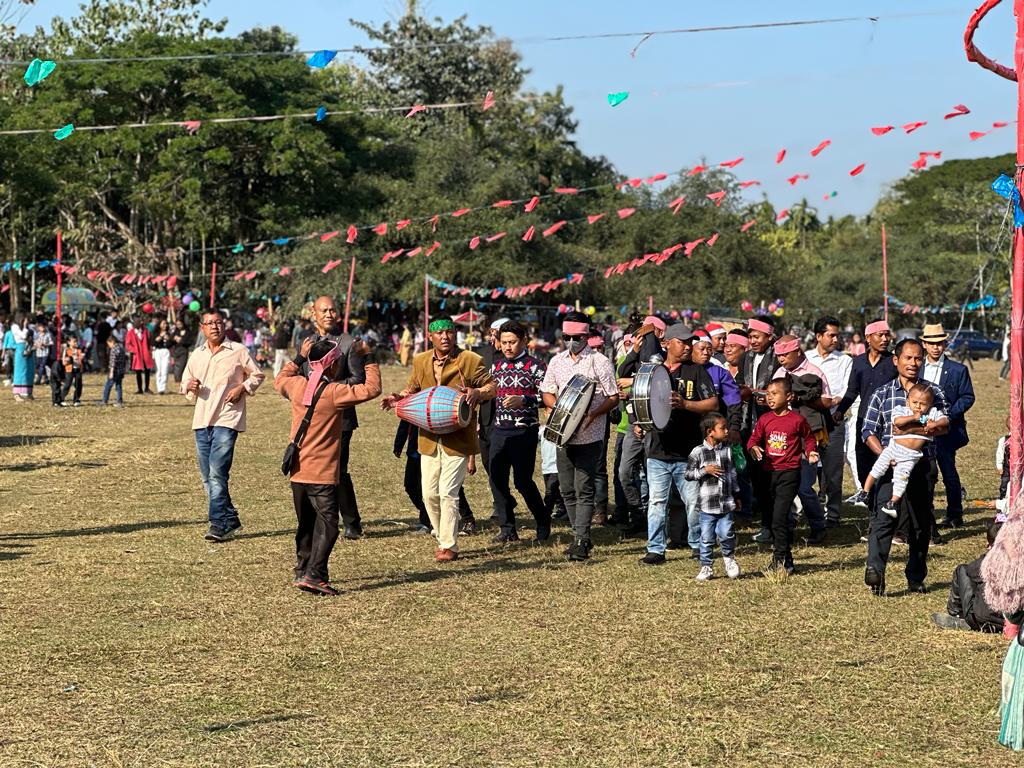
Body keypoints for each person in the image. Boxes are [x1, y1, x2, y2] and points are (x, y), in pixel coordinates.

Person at [380, 317, 495, 562]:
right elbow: (412, 389)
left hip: (459, 438)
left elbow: (491, 387)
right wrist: (397, 398)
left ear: (455, 335)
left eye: (449, 332)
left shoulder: (471, 361)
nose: (445, 337)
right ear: (430, 336)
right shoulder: (421, 360)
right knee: (429, 493)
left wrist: (477, 393)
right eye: (440, 333)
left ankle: (449, 545)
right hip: (429, 436)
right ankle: (442, 533)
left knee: (448, 492)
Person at [275, 337, 381, 596]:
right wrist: (368, 358)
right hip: (322, 472)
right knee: (329, 523)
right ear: (333, 366)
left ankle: (302, 569)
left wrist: (299, 357)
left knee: (306, 522)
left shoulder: (297, 385)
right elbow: (372, 389)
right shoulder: (335, 392)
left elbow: (279, 379)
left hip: (298, 469)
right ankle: (316, 574)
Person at [861, 338, 949, 596]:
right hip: (891, 466)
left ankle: (915, 577)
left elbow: (946, 424)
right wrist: (888, 455)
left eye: (918, 358)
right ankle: (875, 572)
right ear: (896, 360)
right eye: (908, 358)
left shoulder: (934, 393)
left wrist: (934, 427)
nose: (913, 363)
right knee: (883, 519)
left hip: (922, 466)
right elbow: (868, 430)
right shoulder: (882, 393)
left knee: (920, 524)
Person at [540, 311, 620, 561]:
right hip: (563, 434)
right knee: (566, 488)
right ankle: (579, 535)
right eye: (567, 337)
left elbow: (613, 396)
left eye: (576, 337)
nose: (571, 342)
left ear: (586, 335)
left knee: (583, 487)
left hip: (590, 434)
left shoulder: (599, 361)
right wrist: (556, 409)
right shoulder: (557, 361)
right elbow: (547, 390)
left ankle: (581, 540)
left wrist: (593, 414)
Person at [635, 324, 717, 564]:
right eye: (682, 342)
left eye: (689, 342)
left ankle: (696, 544)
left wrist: (686, 405)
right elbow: (639, 401)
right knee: (657, 502)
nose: (687, 346)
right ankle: (655, 549)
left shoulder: (696, 371)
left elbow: (713, 403)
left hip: (688, 451)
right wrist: (638, 422)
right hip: (657, 450)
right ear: (666, 343)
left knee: (693, 503)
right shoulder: (652, 370)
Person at [181, 308, 265, 542]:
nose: (215, 327)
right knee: (207, 476)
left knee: (218, 472)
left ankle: (218, 523)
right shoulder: (196, 354)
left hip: (227, 419)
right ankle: (230, 517)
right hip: (201, 419)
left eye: (218, 322)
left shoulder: (238, 351)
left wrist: (243, 388)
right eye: (209, 323)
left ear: (224, 325)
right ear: (202, 328)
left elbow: (257, 375)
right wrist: (190, 386)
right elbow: (184, 382)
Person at [305, 296, 368, 540]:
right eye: (324, 310)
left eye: (333, 310)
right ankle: (321, 518)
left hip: (340, 417)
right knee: (314, 471)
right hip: (312, 418)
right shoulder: (307, 342)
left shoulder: (349, 343)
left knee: (338, 470)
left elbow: (358, 379)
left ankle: (352, 523)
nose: (329, 314)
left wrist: (330, 388)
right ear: (314, 313)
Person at [747, 377, 819, 575]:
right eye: (768, 394)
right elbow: (753, 440)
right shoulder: (764, 419)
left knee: (779, 518)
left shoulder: (797, 420)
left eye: (774, 393)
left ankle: (779, 559)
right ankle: (787, 561)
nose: (769, 398)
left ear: (788, 397)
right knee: (774, 518)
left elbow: (809, 438)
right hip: (769, 473)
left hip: (789, 473)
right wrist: (754, 447)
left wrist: (810, 452)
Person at [487, 321, 551, 543]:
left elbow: (548, 397)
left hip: (524, 432)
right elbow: (489, 395)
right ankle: (507, 529)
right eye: (503, 342)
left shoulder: (537, 366)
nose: (507, 347)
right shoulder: (495, 367)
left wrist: (523, 400)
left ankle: (543, 521)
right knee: (497, 480)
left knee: (523, 481)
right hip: (499, 430)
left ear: (524, 340)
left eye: (512, 342)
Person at [850, 382, 944, 518]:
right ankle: (864, 493)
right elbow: (898, 422)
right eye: (914, 402)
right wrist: (914, 418)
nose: (917, 406)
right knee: (877, 469)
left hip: (910, 456)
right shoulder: (902, 410)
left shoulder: (929, 415)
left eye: (923, 404)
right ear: (908, 401)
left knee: (901, 479)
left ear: (930, 405)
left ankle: (892, 503)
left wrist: (934, 423)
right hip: (893, 448)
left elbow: (945, 421)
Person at [772, 335, 830, 544]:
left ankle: (818, 526)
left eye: (785, 354)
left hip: (808, 438)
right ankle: (786, 527)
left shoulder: (813, 372)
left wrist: (803, 397)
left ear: (797, 352)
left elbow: (827, 401)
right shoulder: (779, 373)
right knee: (784, 485)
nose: (781, 359)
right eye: (778, 355)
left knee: (804, 486)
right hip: (783, 438)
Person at [919, 323, 976, 529]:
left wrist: (947, 415)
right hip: (920, 429)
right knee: (923, 473)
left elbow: (968, 396)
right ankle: (925, 513)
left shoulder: (958, 370)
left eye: (940, 343)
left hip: (946, 431)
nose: (936, 347)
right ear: (924, 344)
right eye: (931, 343)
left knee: (948, 471)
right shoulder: (916, 368)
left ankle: (954, 513)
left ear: (945, 344)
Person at [836, 320, 897, 491]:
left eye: (887, 335)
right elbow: (852, 391)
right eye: (881, 335)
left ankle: (883, 508)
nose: (885, 339)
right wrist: (840, 411)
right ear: (868, 338)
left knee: (885, 464)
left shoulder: (893, 362)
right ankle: (871, 504)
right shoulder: (858, 362)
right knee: (863, 467)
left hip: (888, 421)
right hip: (864, 420)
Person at [805, 316, 854, 527]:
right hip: (808, 422)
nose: (835, 339)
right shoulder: (805, 359)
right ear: (818, 336)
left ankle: (833, 513)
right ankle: (807, 510)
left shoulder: (844, 360)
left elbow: (846, 391)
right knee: (806, 468)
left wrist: (834, 402)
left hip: (833, 419)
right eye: (831, 335)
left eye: (837, 335)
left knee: (833, 470)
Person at [685, 412, 741, 581]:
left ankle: (729, 558)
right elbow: (688, 474)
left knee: (726, 533)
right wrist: (704, 471)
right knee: (707, 538)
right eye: (722, 428)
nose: (726, 431)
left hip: (726, 503)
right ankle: (706, 566)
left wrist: (737, 494)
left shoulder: (727, 451)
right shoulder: (698, 452)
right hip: (707, 506)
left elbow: (732, 474)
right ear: (710, 432)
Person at [737, 318, 777, 544]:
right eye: (750, 337)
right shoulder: (746, 357)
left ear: (769, 337)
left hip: (773, 424)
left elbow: (780, 388)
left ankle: (780, 522)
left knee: (775, 478)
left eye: (756, 337)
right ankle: (766, 524)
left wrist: (758, 393)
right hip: (749, 425)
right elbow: (740, 384)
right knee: (758, 479)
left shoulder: (777, 358)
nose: (752, 341)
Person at [931, 520, 1004, 632]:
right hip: (1011, 619)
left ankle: (957, 613)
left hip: (982, 619)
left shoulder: (988, 561)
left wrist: (988, 554)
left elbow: (970, 571)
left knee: (962, 570)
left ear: (989, 544)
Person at [475, 318, 506, 526]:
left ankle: (500, 506)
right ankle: (505, 499)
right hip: (485, 416)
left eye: (496, 333)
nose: (491, 337)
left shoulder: (517, 357)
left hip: (506, 419)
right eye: (491, 333)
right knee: (487, 462)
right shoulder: (482, 355)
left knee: (499, 465)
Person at [8, 314, 35, 401]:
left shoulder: (28, 327)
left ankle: (28, 392)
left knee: (29, 370)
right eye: (25, 319)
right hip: (20, 348)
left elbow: (34, 335)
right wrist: (24, 326)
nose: (27, 321)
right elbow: (23, 336)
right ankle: (17, 394)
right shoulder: (15, 327)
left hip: (29, 348)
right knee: (20, 370)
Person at [125, 320, 154, 395]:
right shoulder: (130, 332)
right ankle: (140, 389)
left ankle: (147, 388)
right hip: (137, 355)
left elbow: (150, 340)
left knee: (147, 371)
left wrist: (150, 350)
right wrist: (134, 350)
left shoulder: (146, 331)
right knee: (138, 372)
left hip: (145, 353)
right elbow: (128, 344)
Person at [59, 334, 84, 407]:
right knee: (67, 384)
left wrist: (80, 358)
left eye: (76, 341)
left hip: (78, 369)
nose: (76, 343)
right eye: (74, 342)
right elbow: (63, 361)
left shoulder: (79, 350)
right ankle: (61, 399)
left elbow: (81, 359)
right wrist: (69, 360)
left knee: (78, 384)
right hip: (69, 369)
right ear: (69, 342)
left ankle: (76, 399)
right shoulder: (66, 350)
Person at [102, 335, 127, 407]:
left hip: (115, 370)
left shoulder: (113, 349)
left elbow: (113, 362)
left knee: (108, 385)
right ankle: (119, 402)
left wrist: (111, 372)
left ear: (112, 342)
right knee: (118, 386)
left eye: (109, 344)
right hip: (121, 370)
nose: (109, 346)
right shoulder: (121, 348)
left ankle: (104, 400)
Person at [152, 319, 173, 394]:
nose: (165, 325)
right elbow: (153, 342)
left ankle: (162, 388)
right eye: (163, 324)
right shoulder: (156, 333)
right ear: (159, 324)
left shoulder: (169, 333)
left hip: (166, 351)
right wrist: (160, 336)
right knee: (158, 370)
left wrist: (169, 339)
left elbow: (171, 343)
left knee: (165, 370)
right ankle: (159, 387)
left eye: (166, 324)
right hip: (158, 351)